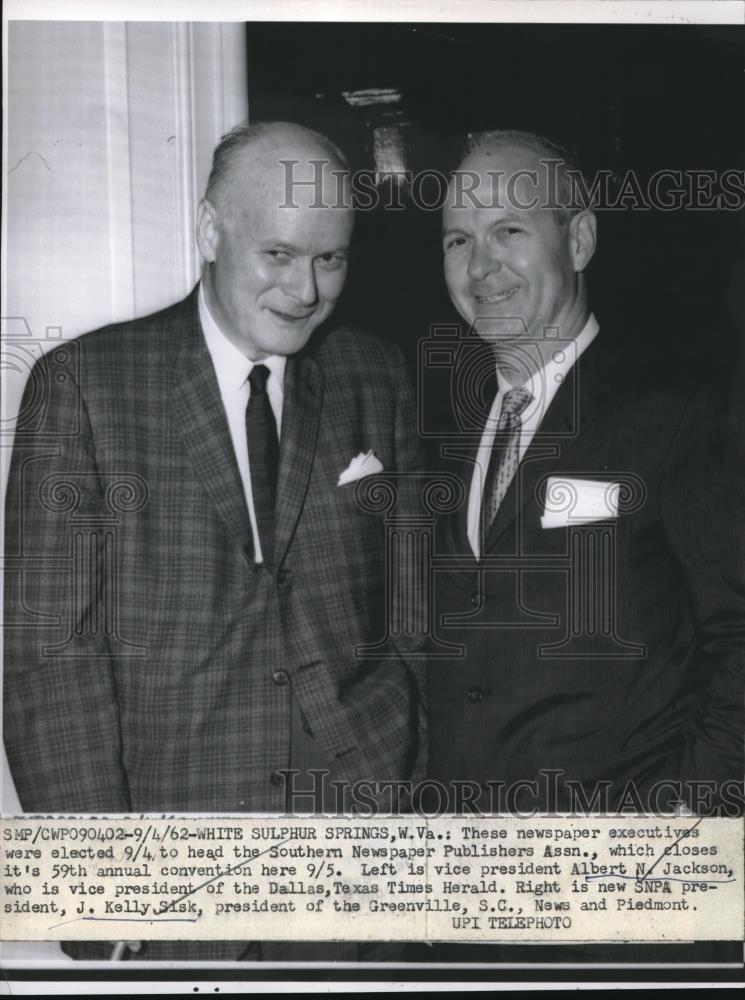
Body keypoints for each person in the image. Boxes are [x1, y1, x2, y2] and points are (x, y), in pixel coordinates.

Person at [3, 121, 425, 961]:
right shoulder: (86, 388)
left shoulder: (375, 375)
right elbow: (48, 658)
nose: (305, 290)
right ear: (208, 231)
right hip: (179, 879)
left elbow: (413, 620)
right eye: (278, 254)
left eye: (330, 259)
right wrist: (104, 894)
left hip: (366, 859)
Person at [426, 129, 744, 818]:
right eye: (457, 240)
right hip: (465, 885)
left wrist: (680, 822)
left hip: (622, 882)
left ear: (577, 242)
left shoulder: (678, 414)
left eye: (507, 229)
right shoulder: (444, 433)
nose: (480, 268)